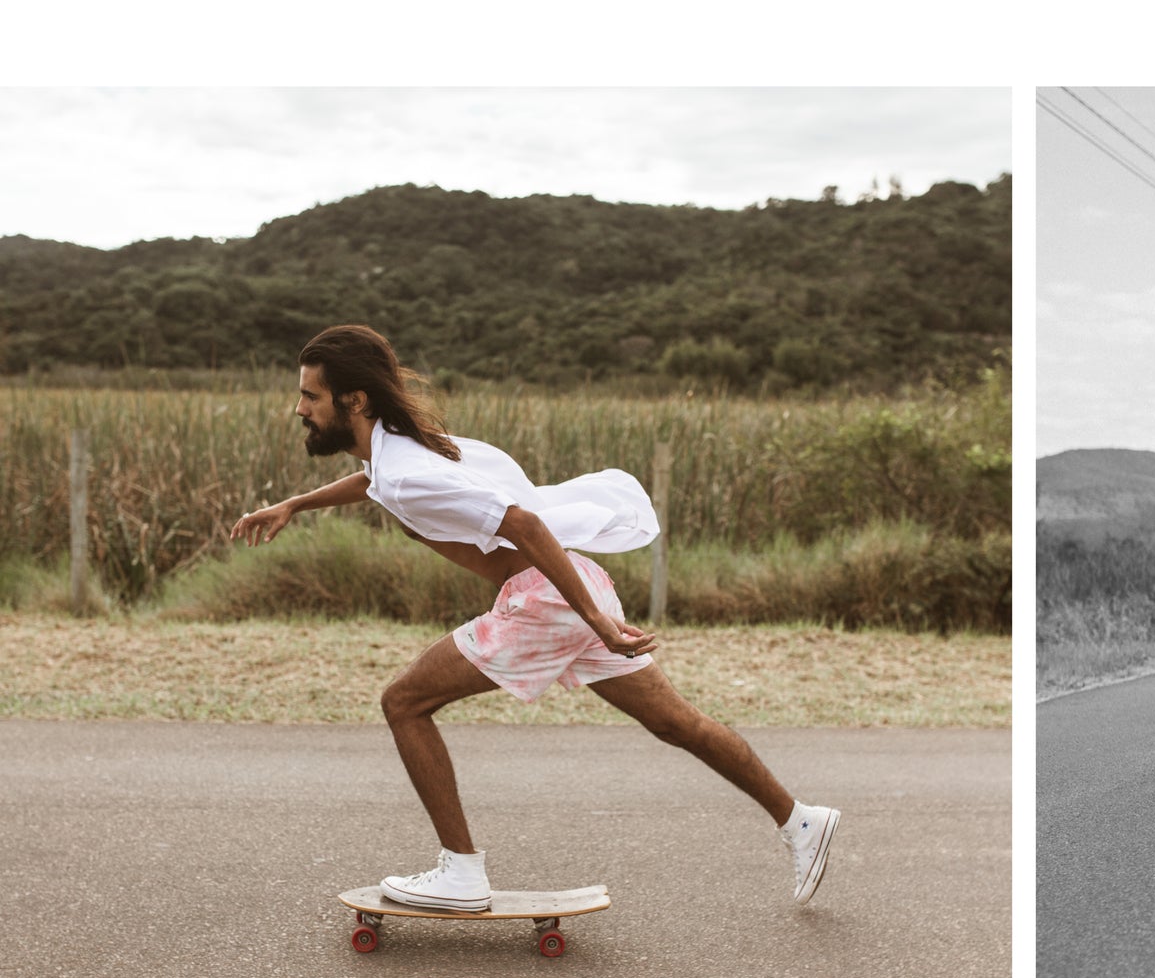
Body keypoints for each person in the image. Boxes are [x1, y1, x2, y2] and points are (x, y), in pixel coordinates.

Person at [230, 325, 840, 911]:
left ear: (353, 400)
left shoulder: (410, 470)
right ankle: (799, 819)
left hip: (548, 601)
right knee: (678, 724)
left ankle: (462, 872)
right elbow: (372, 484)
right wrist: (296, 503)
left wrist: (596, 623)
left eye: (310, 395)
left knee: (404, 703)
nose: (299, 408)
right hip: (575, 587)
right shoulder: (398, 452)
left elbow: (521, 523)